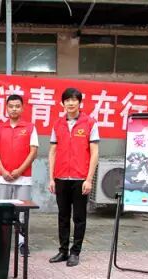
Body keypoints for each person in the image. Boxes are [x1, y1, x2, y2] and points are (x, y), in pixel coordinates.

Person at [48, 88, 99, 267]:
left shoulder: (90, 123)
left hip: (80, 178)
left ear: (80, 102)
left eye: (74, 100)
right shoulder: (57, 124)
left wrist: (89, 179)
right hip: (61, 177)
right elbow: (52, 152)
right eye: (67, 100)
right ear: (62, 103)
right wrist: (51, 178)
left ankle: (75, 252)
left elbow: (94, 153)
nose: (70, 103)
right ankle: (63, 251)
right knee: (63, 216)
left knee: (79, 217)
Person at [0, 94, 39, 255]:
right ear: (6, 108)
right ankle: (0, 243)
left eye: (17, 106)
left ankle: (22, 243)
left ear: (22, 108)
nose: (14, 109)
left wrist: (19, 171)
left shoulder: (30, 127)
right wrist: (3, 171)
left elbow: (33, 152)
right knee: (1, 211)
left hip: (23, 178)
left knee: (22, 213)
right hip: (2, 177)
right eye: (11, 106)